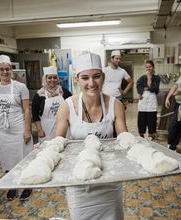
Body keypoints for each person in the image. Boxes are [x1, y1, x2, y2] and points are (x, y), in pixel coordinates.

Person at [55, 52, 128, 219]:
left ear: (103, 77)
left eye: (96, 77)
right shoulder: (67, 107)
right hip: (79, 179)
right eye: (85, 78)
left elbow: (124, 138)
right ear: (77, 79)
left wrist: (136, 145)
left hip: (109, 178)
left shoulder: (115, 105)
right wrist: (46, 148)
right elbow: (58, 143)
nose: (91, 83)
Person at [0, 55, 33, 201]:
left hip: (18, 128)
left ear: (11, 70)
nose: (5, 72)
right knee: (7, 159)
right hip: (2, 131)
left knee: (24, 157)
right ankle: (12, 184)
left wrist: (27, 130)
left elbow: (27, 110)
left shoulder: (21, 87)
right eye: (1, 69)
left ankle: (27, 185)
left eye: (7, 69)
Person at [32, 66, 72, 143]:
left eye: (55, 78)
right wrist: (39, 130)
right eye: (49, 78)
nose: (52, 80)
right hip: (46, 129)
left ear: (57, 79)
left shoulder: (64, 92)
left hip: (63, 126)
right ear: (45, 79)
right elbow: (35, 115)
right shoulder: (40, 94)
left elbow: (72, 108)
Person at [136, 60, 160, 140]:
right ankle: (141, 136)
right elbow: (139, 86)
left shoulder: (156, 78)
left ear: (153, 67)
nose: (148, 68)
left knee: (151, 120)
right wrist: (140, 93)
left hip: (152, 102)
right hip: (143, 102)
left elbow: (154, 89)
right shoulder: (142, 78)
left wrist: (149, 78)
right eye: (147, 67)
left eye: (150, 67)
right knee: (142, 120)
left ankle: (151, 136)